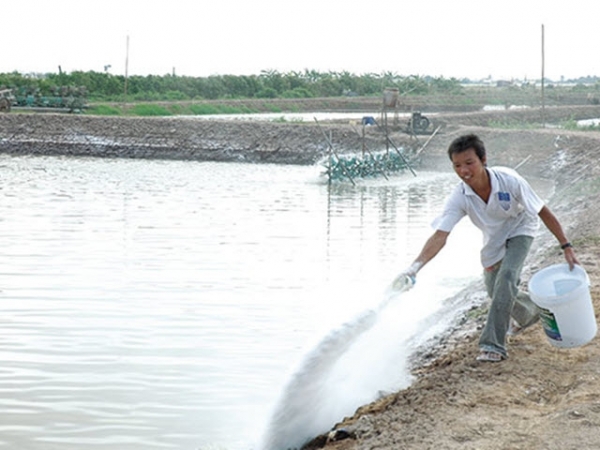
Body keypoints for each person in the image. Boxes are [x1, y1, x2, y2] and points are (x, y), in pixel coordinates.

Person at [394, 134, 579, 363]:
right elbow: (440, 236)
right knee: (495, 290)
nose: (464, 171)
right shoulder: (460, 196)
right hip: (494, 237)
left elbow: (542, 211)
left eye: (469, 163)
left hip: (522, 226)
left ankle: (493, 345)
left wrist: (566, 246)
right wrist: (413, 268)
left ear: (483, 160)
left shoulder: (510, 181)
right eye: (457, 166)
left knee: (508, 277)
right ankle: (533, 311)